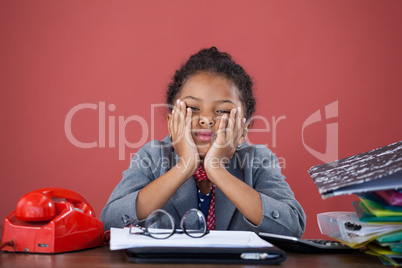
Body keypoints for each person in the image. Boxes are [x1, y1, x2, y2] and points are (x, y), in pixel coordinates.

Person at [100, 47, 306, 237]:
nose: (206, 119)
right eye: (193, 108)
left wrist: (217, 170)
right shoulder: (152, 156)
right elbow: (110, 222)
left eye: (223, 111)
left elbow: (292, 227)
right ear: (172, 121)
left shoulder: (258, 160)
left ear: (243, 130)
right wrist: (184, 166)